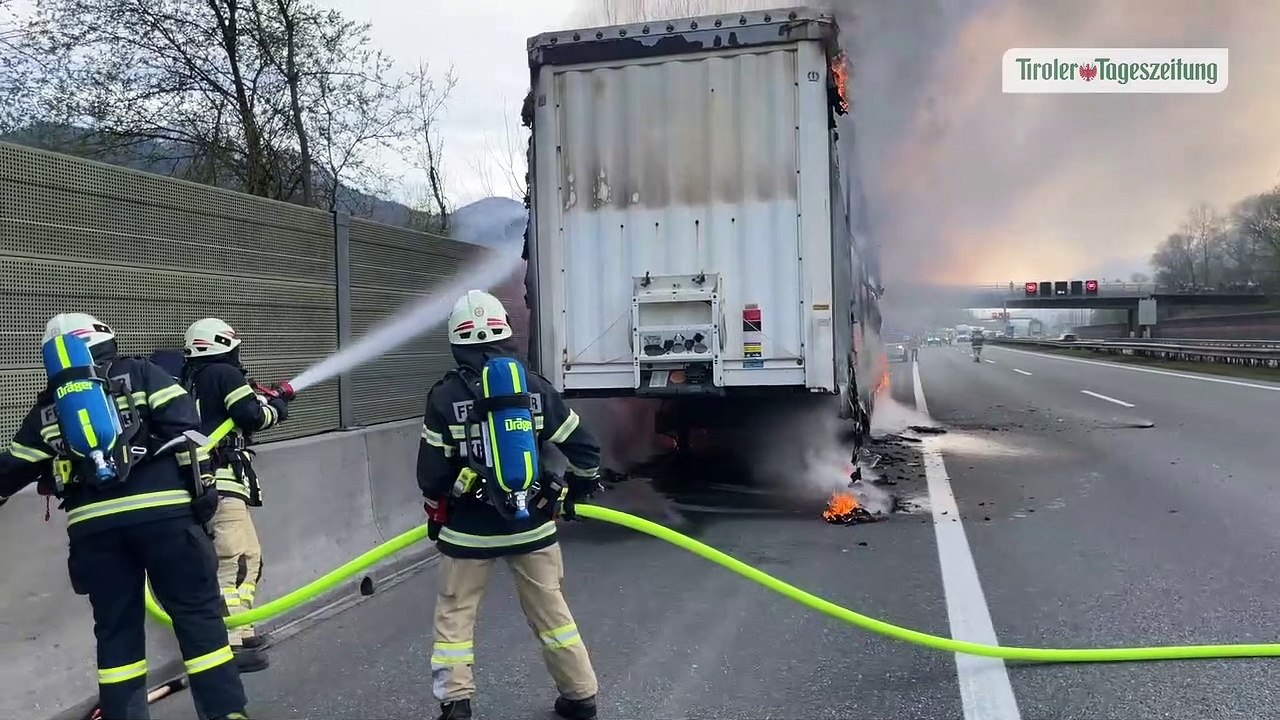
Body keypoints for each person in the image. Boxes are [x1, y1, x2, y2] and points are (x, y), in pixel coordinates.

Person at [0, 313, 249, 720]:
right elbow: (188, 427)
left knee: (116, 633)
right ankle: (225, 713)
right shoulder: (142, 373)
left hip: (94, 533)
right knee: (197, 615)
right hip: (166, 518)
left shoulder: (49, 406)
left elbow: (12, 468)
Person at [418, 290, 604, 720]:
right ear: (505, 332)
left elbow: (431, 475)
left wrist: (443, 508)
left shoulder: (444, 397)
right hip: (533, 524)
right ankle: (580, 696)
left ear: (456, 340)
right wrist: (577, 488)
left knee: (456, 614)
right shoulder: (534, 387)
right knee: (552, 613)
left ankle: (456, 702)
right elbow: (584, 447)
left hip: (467, 532)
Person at [182, 318, 291, 673]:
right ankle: (227, 644)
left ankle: (242, 631)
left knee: (249, 557)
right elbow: (250, 415)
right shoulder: (224, 374)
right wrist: (277, 409)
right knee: (231, 562)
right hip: (222, 483)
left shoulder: (192, 379)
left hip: (212, 482)